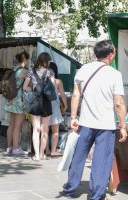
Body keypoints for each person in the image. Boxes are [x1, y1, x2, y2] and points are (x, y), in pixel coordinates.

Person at [61, 40, 127, 199]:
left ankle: (70, 188)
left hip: (85, 122)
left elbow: (76, 94)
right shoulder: (114, 74)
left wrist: (74, 117)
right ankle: (97, 194)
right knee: (101, 160)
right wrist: (123, 125)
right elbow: (118, 103)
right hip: (106, 125)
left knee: (78, 156)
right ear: (110, 55)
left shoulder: (83, 69)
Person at [23, 52, 55, 161]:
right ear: (46, 61)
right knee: (44, 130)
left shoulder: (31, 72)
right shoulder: (50, 72)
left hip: (35, 102)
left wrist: (33, 90)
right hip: (46, 102)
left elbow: (25, 87)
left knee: (36, 129)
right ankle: (42, 154)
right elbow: (53, 87)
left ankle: (36, 155)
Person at [4, 51, 29, 156]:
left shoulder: (14, 70)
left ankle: (9, 147)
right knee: (18, 126)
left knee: (11, 125)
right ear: (24, 60)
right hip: (19, 101)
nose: (28, 62)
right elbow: (29, 85)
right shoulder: (24, 71)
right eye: (27, 60)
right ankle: (16, 148)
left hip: (11, 100)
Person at [47, 62, 67, 157]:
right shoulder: (58, 81)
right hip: (54, 105)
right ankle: (53, 150)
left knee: (45, 130)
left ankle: (46, 150)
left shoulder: (43, 80)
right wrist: (65, 106)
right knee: (55, 131)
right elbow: (62, 95)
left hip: (45, 105)